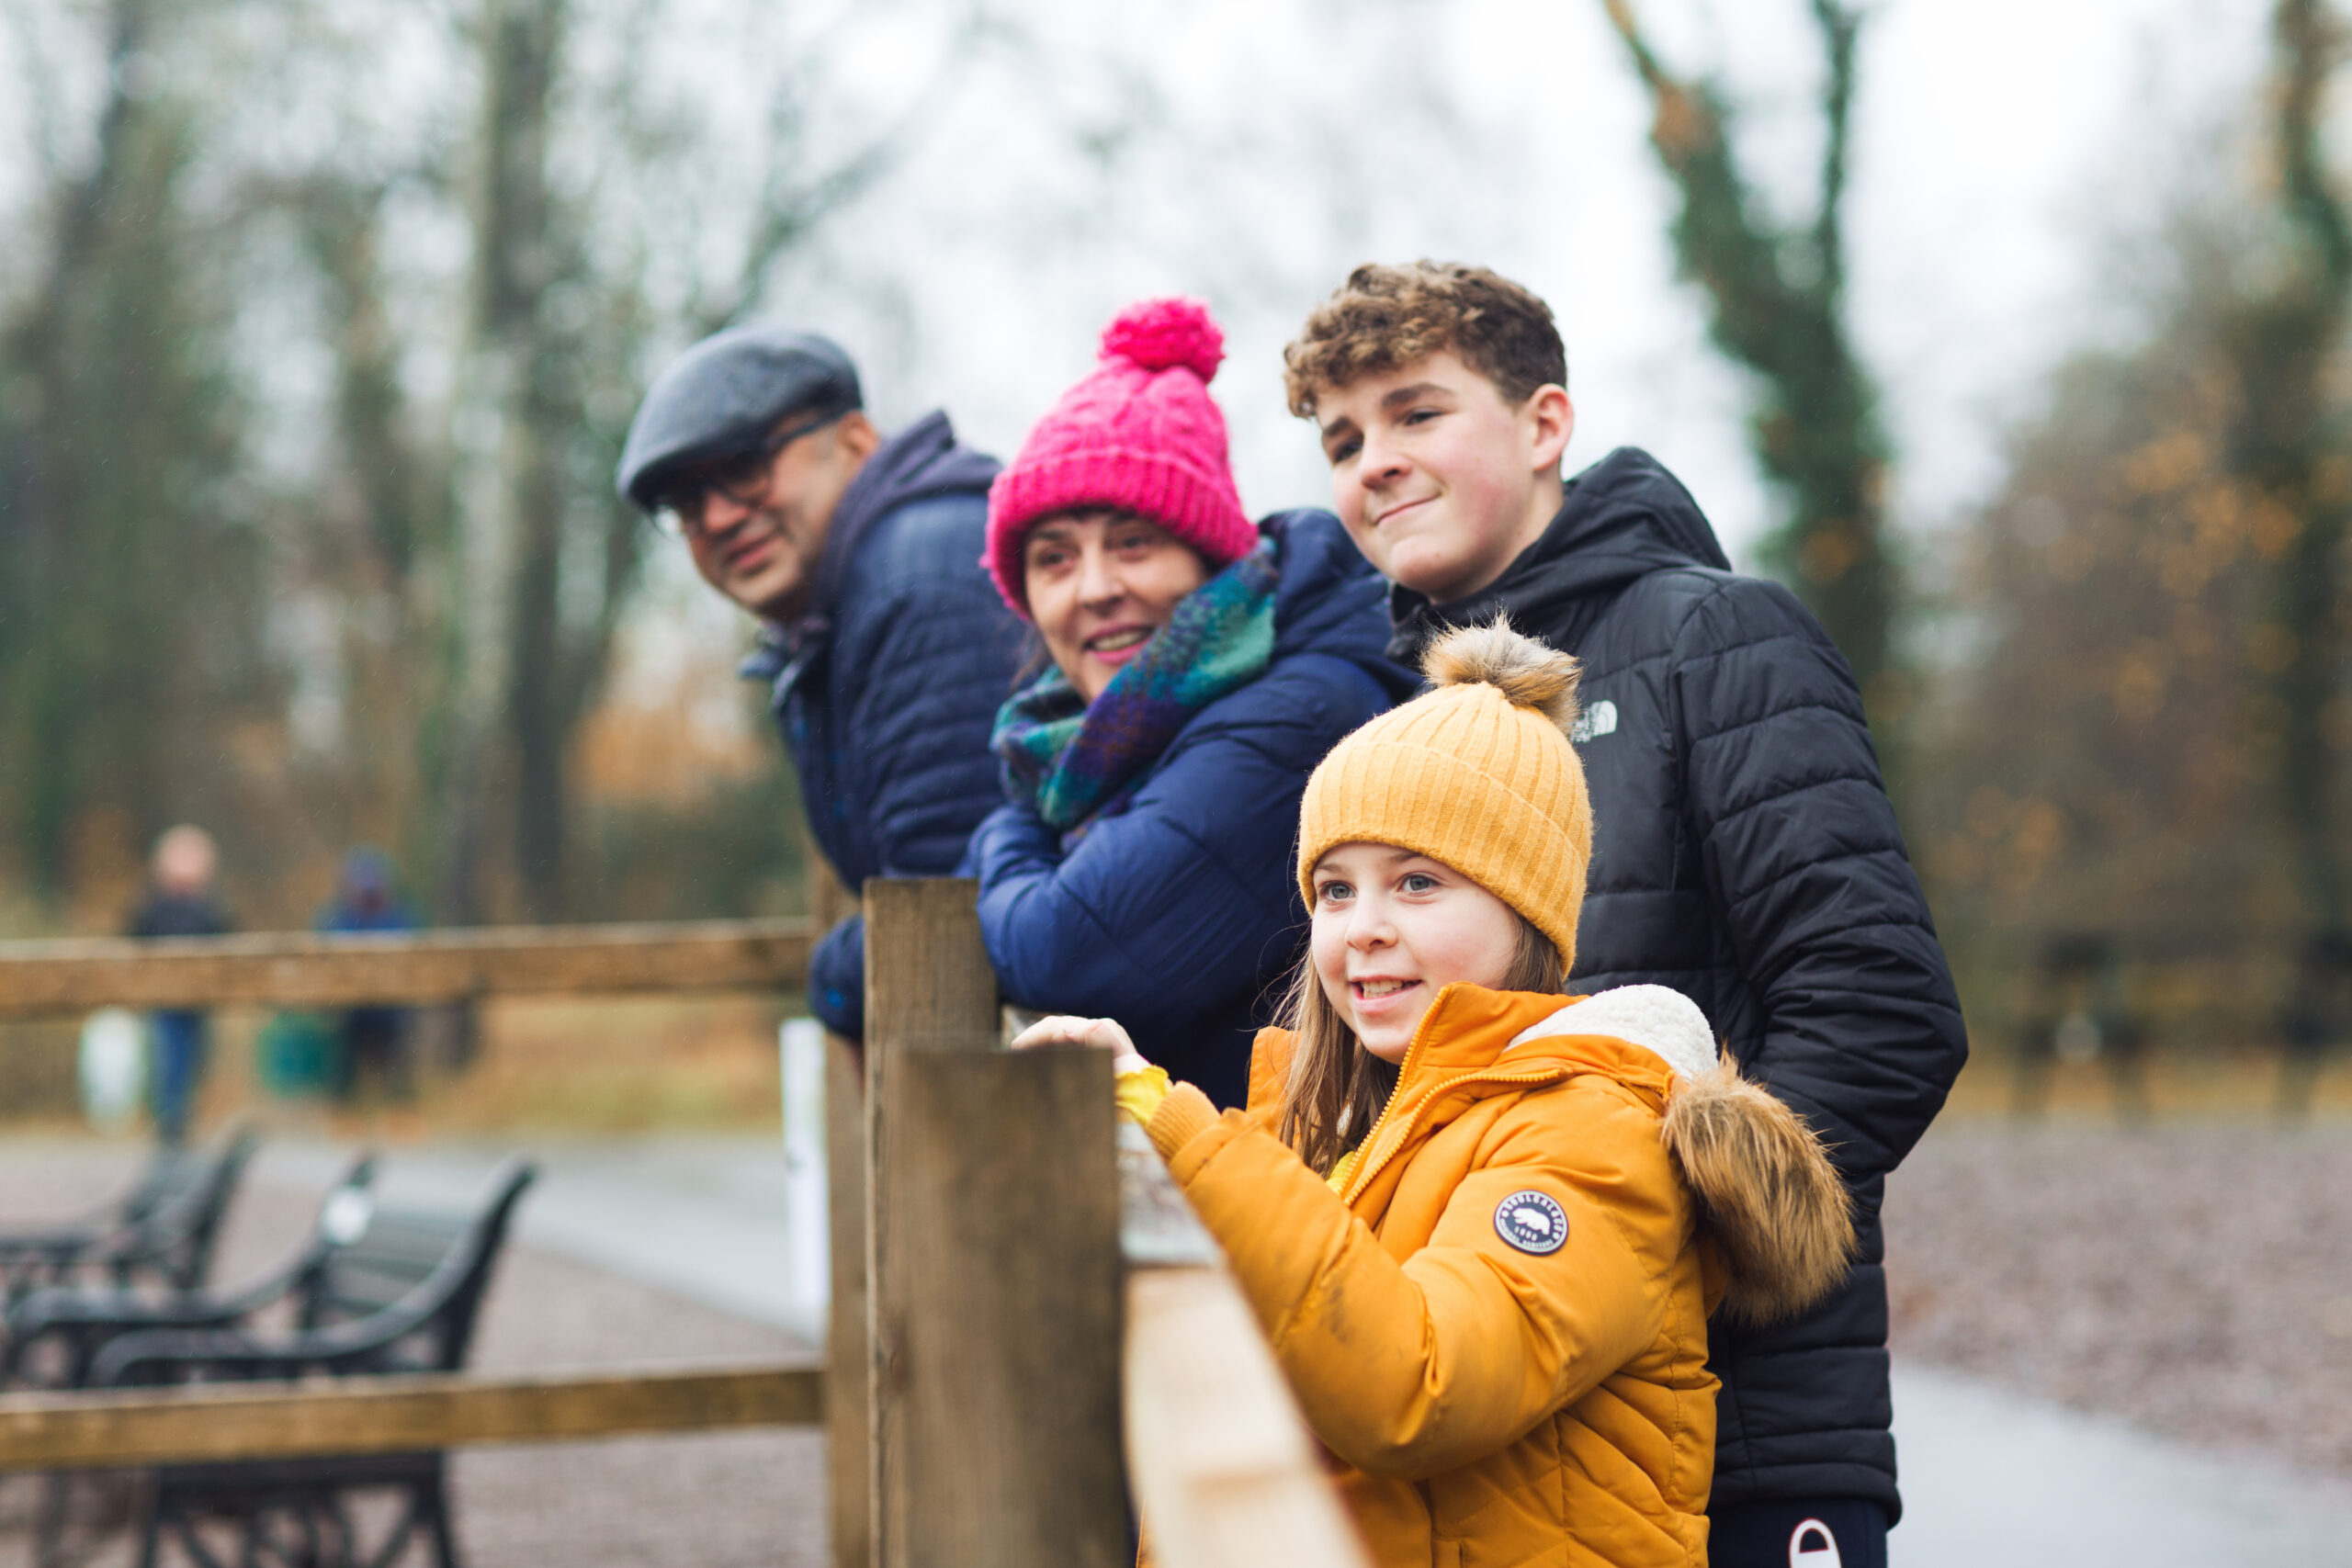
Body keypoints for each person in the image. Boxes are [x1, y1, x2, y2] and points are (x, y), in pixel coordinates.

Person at [1280, 261, 1968, 1568]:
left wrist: (1635, 1239)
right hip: (1499, 1459)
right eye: (1343, 438)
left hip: (1743, 1430)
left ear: (1545, 424)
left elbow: (1879, 1009)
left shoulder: (1719, 637)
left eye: (1418, 413)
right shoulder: (1395, 725)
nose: (1375, 461)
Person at [1014, 620, 1856, 1565]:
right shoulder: (1312, 1134)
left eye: (1416, 884)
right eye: (1335, 890)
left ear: (1525, 909)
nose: (1362, 928)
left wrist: (1179, 1136)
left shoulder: (1595, 1133)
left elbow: (1416, 1385)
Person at [964, 297, 1414, 1107]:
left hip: (1291, 1207)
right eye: (1055, 559)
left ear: (1212, 561)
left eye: (1133, 542)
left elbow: (1066, 949)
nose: (1096, 589)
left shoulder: (1300, 713)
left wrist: (1011, 824)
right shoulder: (1082, 745)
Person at [616, 325, 1025, 1037]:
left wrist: (829, 979)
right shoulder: (841, 604)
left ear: (858, 442)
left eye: (745, 466)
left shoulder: (919, 578)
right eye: (684, 501)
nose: (716, 516)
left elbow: (940, 918)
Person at [127, 825, 232, 1145]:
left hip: (196, 1000)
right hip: (164, 1001)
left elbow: (225, 940)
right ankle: (170, 1119)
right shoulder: (155, 907)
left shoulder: (206, 908)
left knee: (194, 1058)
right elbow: (135, 940)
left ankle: (182, 1116)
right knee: (167, 1060)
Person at [316, 847, 421, 1103]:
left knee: (396, 1062)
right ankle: (344, 1112)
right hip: (352, 1009)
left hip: (390, 1009)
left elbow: (413, 953)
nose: (368, 895)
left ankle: (400, 1110)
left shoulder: (398, 916)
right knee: (344, 1064)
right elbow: (327, 950)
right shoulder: (339, 917)